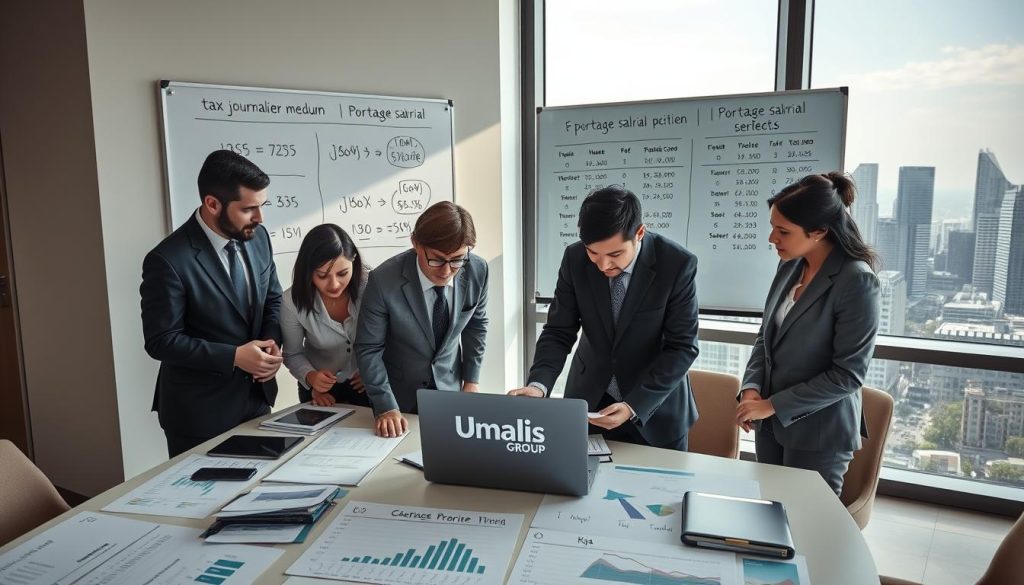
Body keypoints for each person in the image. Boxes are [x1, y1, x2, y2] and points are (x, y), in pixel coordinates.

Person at [508, 186, 700, 451]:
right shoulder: (575, 259)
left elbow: (682, 347)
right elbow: (558, 331)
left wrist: (634, 405)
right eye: (593, 253)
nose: (603, 266)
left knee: (658, 492)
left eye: (615, 254)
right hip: (589, 406)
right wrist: (539, 385)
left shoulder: (677, 264)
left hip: (655, 412)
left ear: (640, 233)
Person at [735, 172, 880, 496]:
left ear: (819, 232)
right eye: (773, 227)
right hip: (771, 426)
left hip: (819, 434)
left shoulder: (856, 281)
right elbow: (766, 338)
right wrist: (752, 389)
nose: (772, 238)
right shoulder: (790, 265)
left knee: (806, 530)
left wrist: (773, 405)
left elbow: (848, 375)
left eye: (783, 231)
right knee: (770, 520)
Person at [141, 150, 284, 457]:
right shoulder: (168, 260)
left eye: (262, 206)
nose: (260, 218)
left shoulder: (258, 238)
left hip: (256, 400)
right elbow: (161, 341)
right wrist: (233, 356)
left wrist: (271, 343)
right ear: (212, 204)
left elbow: (273, 298)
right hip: (198, 413)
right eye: (249, 209)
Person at [355, 201, 488, 437]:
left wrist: (471, 380)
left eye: (457, 259)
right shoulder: (383, 281)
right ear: (415, 243)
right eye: (436, 259)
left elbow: (476, 326)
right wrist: (385, 406)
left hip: (451, 392)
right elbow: (368, 348)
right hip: (398, 400)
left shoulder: (478, 270)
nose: (447, 271)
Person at [281, 224, 371, 407]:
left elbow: (392, 337)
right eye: (322, 275)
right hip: (319, 388)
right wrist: (311, 377)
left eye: (343, 273)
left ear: (353, 260)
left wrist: (375, 371)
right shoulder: (292, 301)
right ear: (308, 271)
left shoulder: (371, 286)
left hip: (368, 383)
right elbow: (292, 353)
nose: (334, 284)